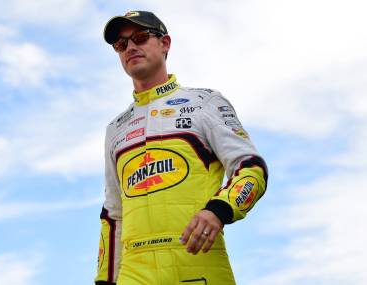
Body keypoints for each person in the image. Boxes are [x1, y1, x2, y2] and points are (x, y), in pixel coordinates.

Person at [95, 10, 268, 285]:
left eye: (140, 37)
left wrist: (218, 210)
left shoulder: (206, 103)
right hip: (134, 271)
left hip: (198, 261)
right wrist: (104, 281)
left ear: (165, 43)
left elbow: (251, 169)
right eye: (121, 44)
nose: (130, 47)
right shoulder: (115, 128)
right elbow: (113, 216)